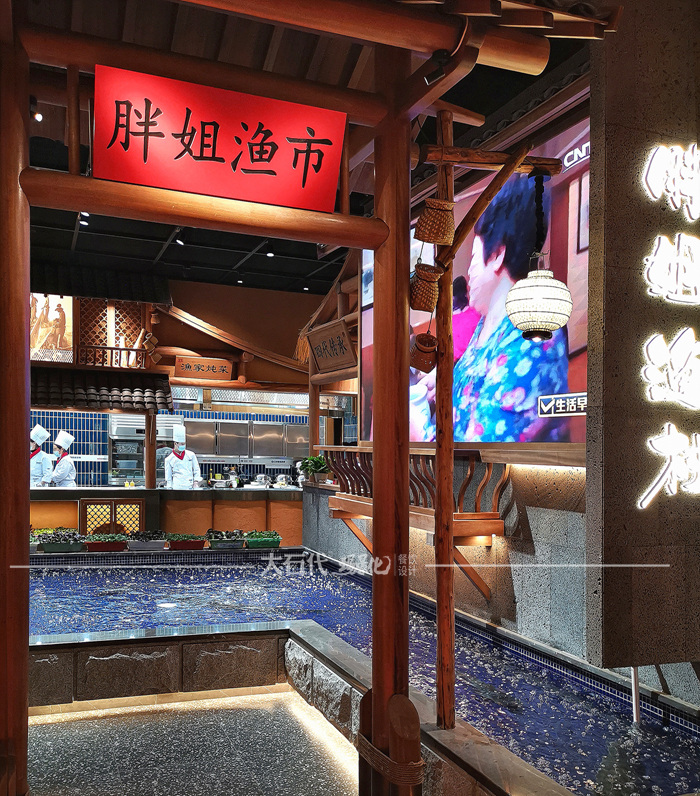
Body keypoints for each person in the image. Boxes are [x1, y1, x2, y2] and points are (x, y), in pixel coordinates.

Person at [452, 174, 569, 442]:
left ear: (496, 256)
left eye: (473, 258)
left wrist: (418, 427)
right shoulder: (489, 321)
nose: (469, 272)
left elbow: (484, 448)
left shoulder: (531, 337)